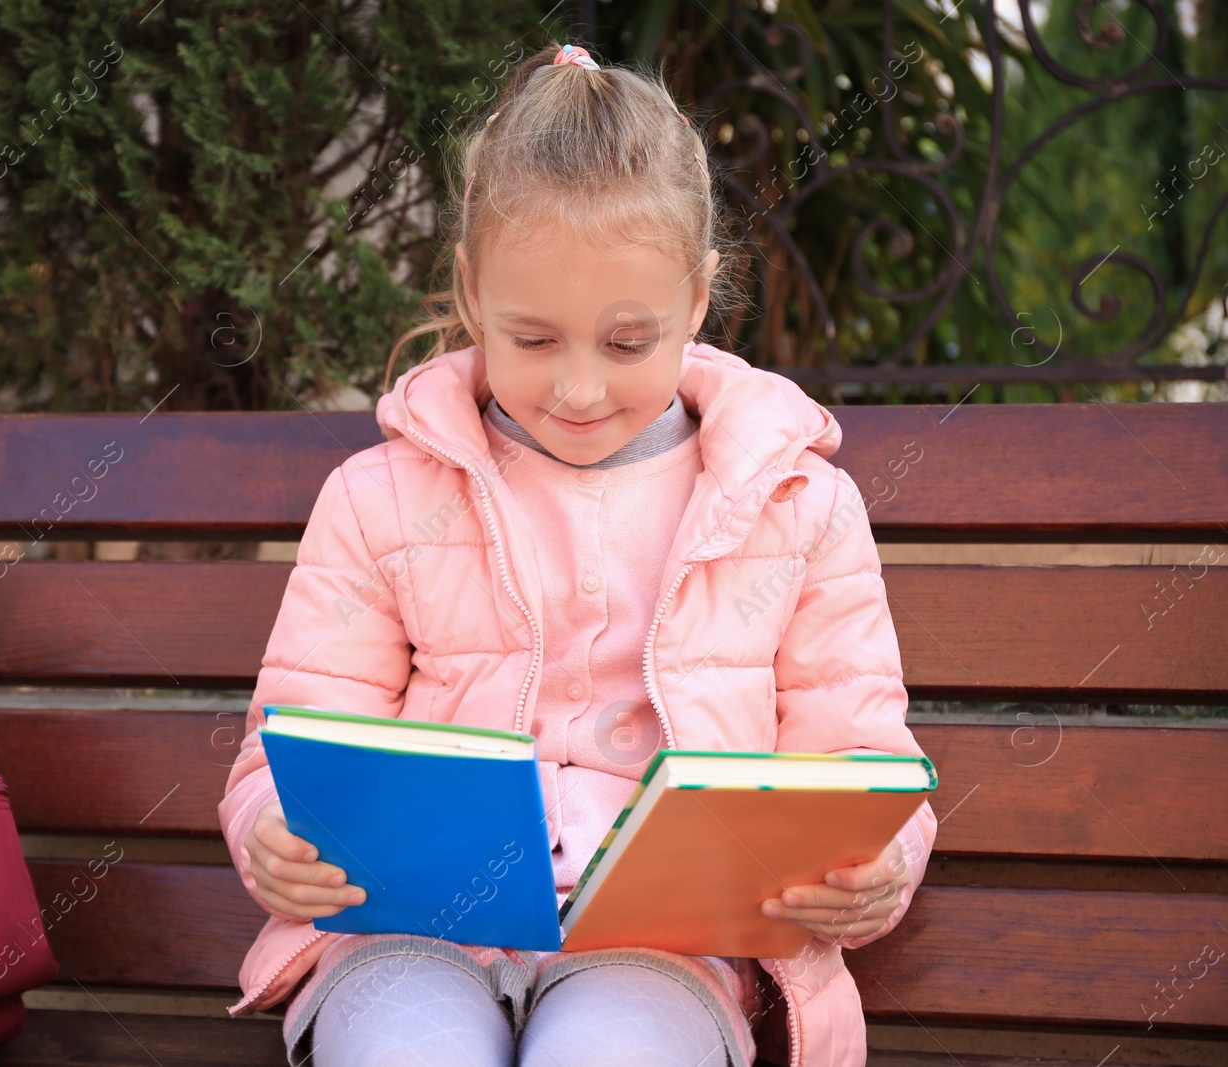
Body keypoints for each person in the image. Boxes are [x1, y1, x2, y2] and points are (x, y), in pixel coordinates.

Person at [218, 41, 937, 1067]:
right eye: (534, 338)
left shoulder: (797, 507)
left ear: (697, 299)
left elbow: (861, 763)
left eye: (628, 341)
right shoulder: (379, 497)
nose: (581, 387)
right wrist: (270, 835)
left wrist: (876, 865)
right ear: (470, 293)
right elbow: (290, 751)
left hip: (661, 950)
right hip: (404, 934)